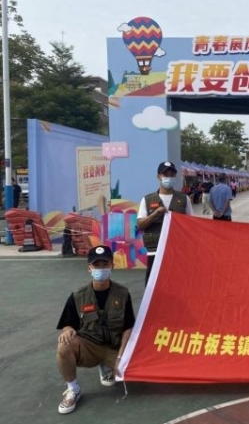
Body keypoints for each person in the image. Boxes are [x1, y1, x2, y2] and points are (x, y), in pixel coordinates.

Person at [55, 245, 136, 414]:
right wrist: (67, 330)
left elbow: (128, 327)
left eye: (105, 264)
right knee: (64, 346)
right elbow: (67, 324)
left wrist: (121, 357)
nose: (101, 269)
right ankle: (73, 389)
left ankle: (107, 366)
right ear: (89, 268)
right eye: (96, 265)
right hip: (89, 347)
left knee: (138, 374)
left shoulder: (123, 294)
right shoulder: (78, 296)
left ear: (112, 266)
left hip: (114, 348)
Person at [137, 161, 194, 286]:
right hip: (155, 250)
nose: (169, 177)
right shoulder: (147, 199)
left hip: (177, 250)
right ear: (158, 176)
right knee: (153, 284)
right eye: (165, 174)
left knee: (177, 283)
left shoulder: (184, 199)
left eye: (171, 174)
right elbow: (140, 225)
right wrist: (155, 214)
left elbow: (192, 225)